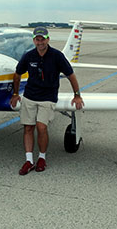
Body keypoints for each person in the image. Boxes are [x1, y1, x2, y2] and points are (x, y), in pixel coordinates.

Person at [10, 26, 84, 175]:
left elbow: (71, 75)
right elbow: (17, 74)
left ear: (48, 39)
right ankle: (29, 160)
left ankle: (42, 158)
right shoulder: (29, 56)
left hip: (48, 98)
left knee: (41, 127)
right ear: (34, 41)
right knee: (28, 128)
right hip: (30, 96)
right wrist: (16, 93)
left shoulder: (57, 56)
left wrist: (77, 95)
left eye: (43, 39)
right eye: (37, 39)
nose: (40, 42)